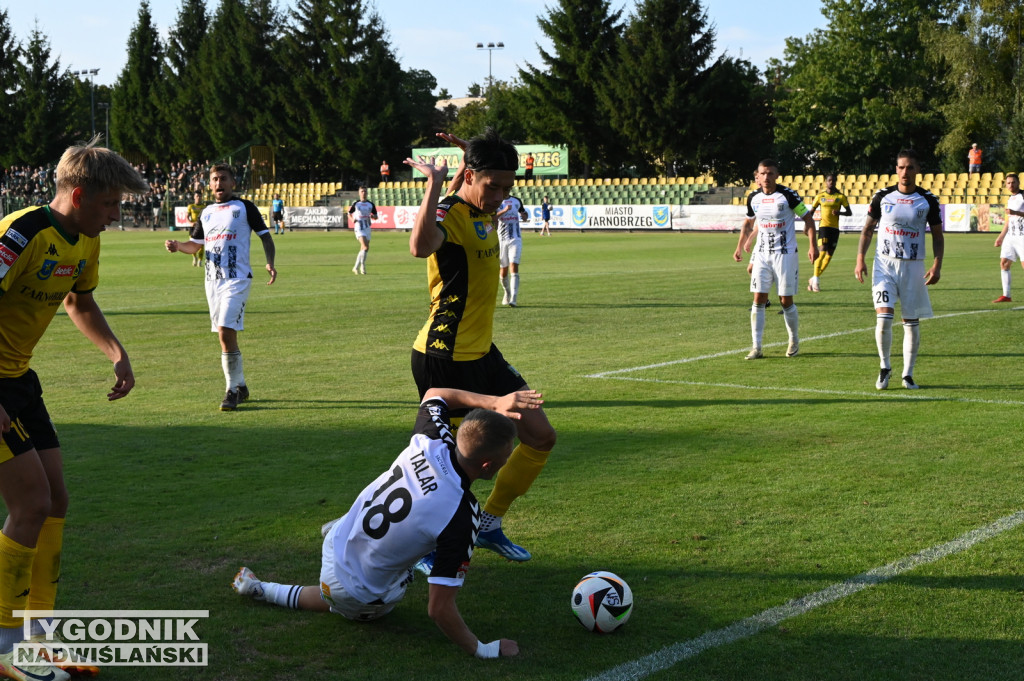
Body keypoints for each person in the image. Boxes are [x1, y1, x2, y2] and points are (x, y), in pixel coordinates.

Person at [232, 387, 539, 658]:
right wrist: (482, 649)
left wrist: (493, 402)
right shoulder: (462, 515)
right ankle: (373, 580)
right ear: (487, 465)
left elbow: (435, 393)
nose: (507, 460)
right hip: (360, 594)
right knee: (356, 595)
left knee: (339, 586)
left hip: (337, 544)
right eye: (506, 456)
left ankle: (262, 589)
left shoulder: (428, 439)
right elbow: (438, 609)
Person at [0, 137, 149, 681]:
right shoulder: (21, 232)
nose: (115, 216)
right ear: (80, 194)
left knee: (55, 499)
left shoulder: (84, 242)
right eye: (110, 205)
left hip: (18, 381)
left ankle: (38, 639)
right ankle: (6, 648)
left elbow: (79, 302)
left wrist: (117, 353)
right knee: (31, 503)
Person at [403, 129, 556, 563]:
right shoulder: (450, 211)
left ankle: (488, 524)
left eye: (509, 187)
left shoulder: (481, 207)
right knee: (448, 469)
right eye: (495, 186)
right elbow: (419, 246)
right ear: (471, 177)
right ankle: (422, 544)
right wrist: (435, 184)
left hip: (484, 354)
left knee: (541, 436)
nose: (502, 195)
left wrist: (467, 156)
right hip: (443, 359)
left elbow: (473, 189)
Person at [164, 164, 277, 411]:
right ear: (210, 184)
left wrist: (270, 262)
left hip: (237, 279)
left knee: (226, 329)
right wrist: (177, 246)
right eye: (214, 179)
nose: (218, 183)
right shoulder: (206, 212)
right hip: (212, 280)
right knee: (225, 337)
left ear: (232, 183)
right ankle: (241, 386)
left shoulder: (245, 207)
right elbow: (194, 245)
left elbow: (265, 236)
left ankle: (231, 391)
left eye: (223, 179)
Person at [855, 149, 943, 390]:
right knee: (883, 319)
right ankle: (884, 368)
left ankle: (908, 374)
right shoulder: (882, 196)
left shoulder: (928, 200)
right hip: (884, 265)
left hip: (914, 267)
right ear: (896, 170)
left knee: (910, 321)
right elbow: (867, 229)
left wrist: (937, 264)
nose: (906, 172)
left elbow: (937, 235)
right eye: (902, 167)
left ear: (917, 170)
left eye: (910, 167)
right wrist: (860, 258)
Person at [732, 159, 818, 359]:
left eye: (770, 173)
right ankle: (756, 347)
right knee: (758, 298)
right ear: (758, 176)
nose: (766, 177)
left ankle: (794, 341)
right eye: (763, 173)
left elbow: (808, 218)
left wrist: (813, 245)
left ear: (776, 175)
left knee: (785, 301)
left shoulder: (787, 196)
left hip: (785, 255)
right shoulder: (753, 197)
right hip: (762, 255)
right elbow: (748, 223)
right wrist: (739, 246)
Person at [807, 173, 853, 292]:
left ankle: (813, 278)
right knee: (821, 253)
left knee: (829, 256)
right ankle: (816, 282)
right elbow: (811, 212)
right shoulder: (820, 196)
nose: (831, 182)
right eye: (829, 180)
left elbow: (849, 212)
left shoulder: (840, 197)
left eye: (833, 181)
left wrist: (839, 213)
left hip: (835, 229)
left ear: (835, 182)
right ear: (826, 182)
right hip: (824, 228)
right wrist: (807, 225)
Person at [992, 173, 1024, 303]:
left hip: (1022, 236)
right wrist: (1000, 237)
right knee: (1004, 263)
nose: (1011, 185)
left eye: (1013, 182)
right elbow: (1008, 220)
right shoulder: (1010, 199)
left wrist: (1015, 213)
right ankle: (1006, 295)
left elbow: (1014, 214)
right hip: (1011, 236)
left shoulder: (1023, 196)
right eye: (1009, 183)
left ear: (1018, 183)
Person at [495, 194, 529, 306]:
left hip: (515, 238)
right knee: (503, 271)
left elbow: (523, 214)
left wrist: (524, 216)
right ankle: (507, 292)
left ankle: (514, 298)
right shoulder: (497, 200)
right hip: (501, 240)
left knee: (514, 265)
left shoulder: (516, 200)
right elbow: (493, 216)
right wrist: (504, 210)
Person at [347, 186, 378, 275]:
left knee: (363, 249)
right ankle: (362, 266)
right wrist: (352, 219)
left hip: (367, 226)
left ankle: (355, 267)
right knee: (365, 247)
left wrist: (373, 216)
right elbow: (348, 214)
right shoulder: (356, 204)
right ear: (359, 193)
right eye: (362, 191)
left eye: (365, 191)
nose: (363, 193)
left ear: (367, 193)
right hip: (359, 226)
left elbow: (376, 216)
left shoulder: (371, 204)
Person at [186, 190, 206, 267]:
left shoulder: (204, 207)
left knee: (201, 245)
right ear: (194, 197)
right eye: (197, 196)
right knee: (192, 244)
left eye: (200, 196)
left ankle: (200, 260)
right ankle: (194, 257)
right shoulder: (191, 206)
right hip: (193, 228)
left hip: (201, 228)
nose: (198, 198)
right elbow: (187, 217)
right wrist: (190, 223)